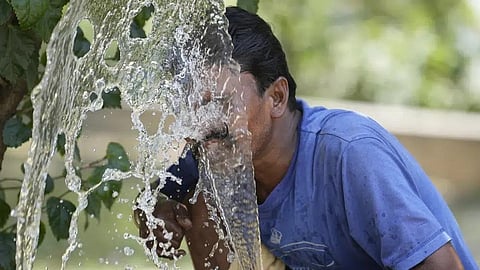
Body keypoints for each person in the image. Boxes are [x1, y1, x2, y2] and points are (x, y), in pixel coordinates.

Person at [135, 6, 479, 270]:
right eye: (195, 106)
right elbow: (159, 191)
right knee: (197, 202)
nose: (205, 122)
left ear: (277, 98)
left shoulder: (349, 153)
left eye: (224, 103)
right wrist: (155, 210)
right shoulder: (215, 150)